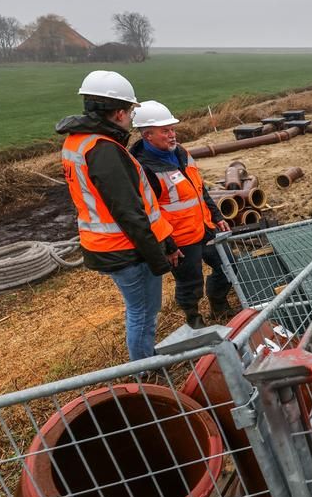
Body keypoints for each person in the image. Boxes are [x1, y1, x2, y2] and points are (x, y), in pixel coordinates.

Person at [56, 71, 182, 361]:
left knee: (140, 310)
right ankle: (144, 370)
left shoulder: (77, 142)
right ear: (120, 112)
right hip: (124, 248)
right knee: (142, 312)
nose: (130, 119)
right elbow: (130, 214)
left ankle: (145, 360)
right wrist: (158, 257)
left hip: (106, 244)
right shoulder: (103, 149)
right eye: (131, 112)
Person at [129, 100, 236, 329]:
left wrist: (217, 216)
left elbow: (199, 189)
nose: (172, 135)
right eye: (165, 131)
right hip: (179, 239)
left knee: (228, 264)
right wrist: (168, 245)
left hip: (206, 227)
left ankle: (218, 302)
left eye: (172, 129)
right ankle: (194, 318)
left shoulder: (182, 153)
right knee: (190, 282)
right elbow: (149, 213)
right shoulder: (143, 169)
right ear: (148, 135)